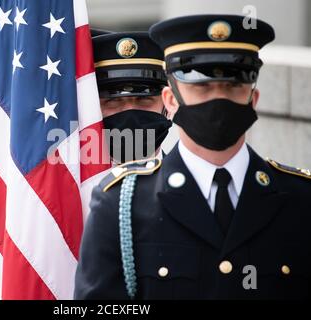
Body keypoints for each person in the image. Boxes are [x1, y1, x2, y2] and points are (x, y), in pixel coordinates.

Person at [74, 14, 311, 299]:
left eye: (233, 86)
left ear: (254, 99)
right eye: (201, 87)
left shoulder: (300, 199)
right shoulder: (120, 204)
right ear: (171, 100)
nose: (218, 100)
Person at [92, 31, 172, 163]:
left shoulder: (196, 183)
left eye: (144, 99)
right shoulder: (66, 183)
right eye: (113, 100)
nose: (130, 111)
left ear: (168, 105)